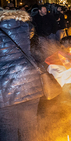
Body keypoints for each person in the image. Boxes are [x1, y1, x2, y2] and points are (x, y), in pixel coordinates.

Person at [0, 9, 44, 140]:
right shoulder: (24, 27)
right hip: (30, 83)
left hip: (5, 88)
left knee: (9, 129)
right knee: (29, 127)